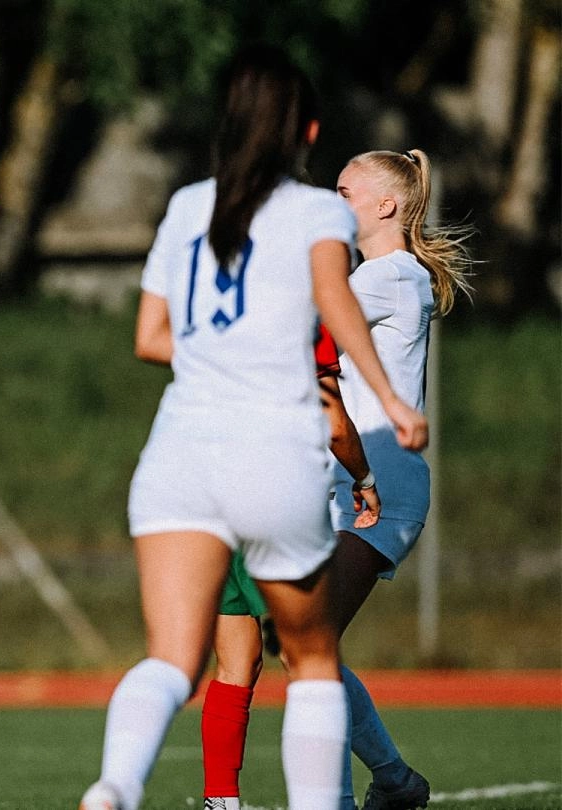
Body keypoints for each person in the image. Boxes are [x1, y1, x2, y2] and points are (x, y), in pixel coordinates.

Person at [78, 45, 428, 810]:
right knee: (312, 656)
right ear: (306, 133)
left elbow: (149, 338)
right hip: (272, 454)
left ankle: (115, 784)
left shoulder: (185, 207)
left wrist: (222, 350)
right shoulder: (318, 212)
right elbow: (337, 310)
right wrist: (394, 404)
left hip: (176, 453)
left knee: (174, 659)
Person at [324, 147, 471, 810]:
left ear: (386, 205)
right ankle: (394, 781)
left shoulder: (390, 276)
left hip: (382, 486)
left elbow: (310, 316)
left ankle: (348, 798)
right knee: (305, 646)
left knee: (311, 651)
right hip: (348, 482)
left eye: (343, 189)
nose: (333, 199)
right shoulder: (376, 274)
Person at [198, 324, 381, 810]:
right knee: (311, 657)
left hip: (208, 493)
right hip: (278, 498)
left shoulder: (219, 312)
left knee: (236, 663)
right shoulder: (302, 312)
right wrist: (364, 477)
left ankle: (221, 801)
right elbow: (335, 423)